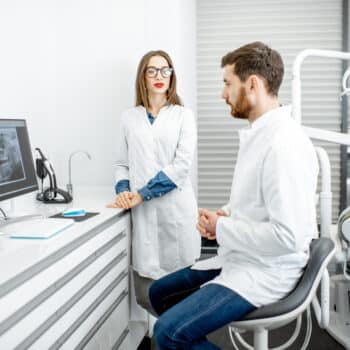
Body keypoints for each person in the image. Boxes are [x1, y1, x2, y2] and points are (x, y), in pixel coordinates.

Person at [148, 41, 319, 349]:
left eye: (228, 83)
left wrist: (221, 228)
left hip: (268, 270)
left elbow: (288, 237)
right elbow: (256, 202)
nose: (222, 93)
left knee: (167, 334)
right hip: (245, 257)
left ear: (252, 84)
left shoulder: (283, 145)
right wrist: (224, 214)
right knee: (159, 294)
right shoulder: (261, 134)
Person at [108, 50, 201, 311]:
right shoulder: (129, 117)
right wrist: (124, 191)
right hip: (144, 216)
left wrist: (141, 194)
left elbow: (181, 166)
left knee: (182, 296)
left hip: (177, 213)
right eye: (152, 70)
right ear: (143, 77)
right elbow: (121, 164)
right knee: (148, 297)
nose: (159, 76)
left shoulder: (183, 115)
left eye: (165, 70)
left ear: (172, 76)